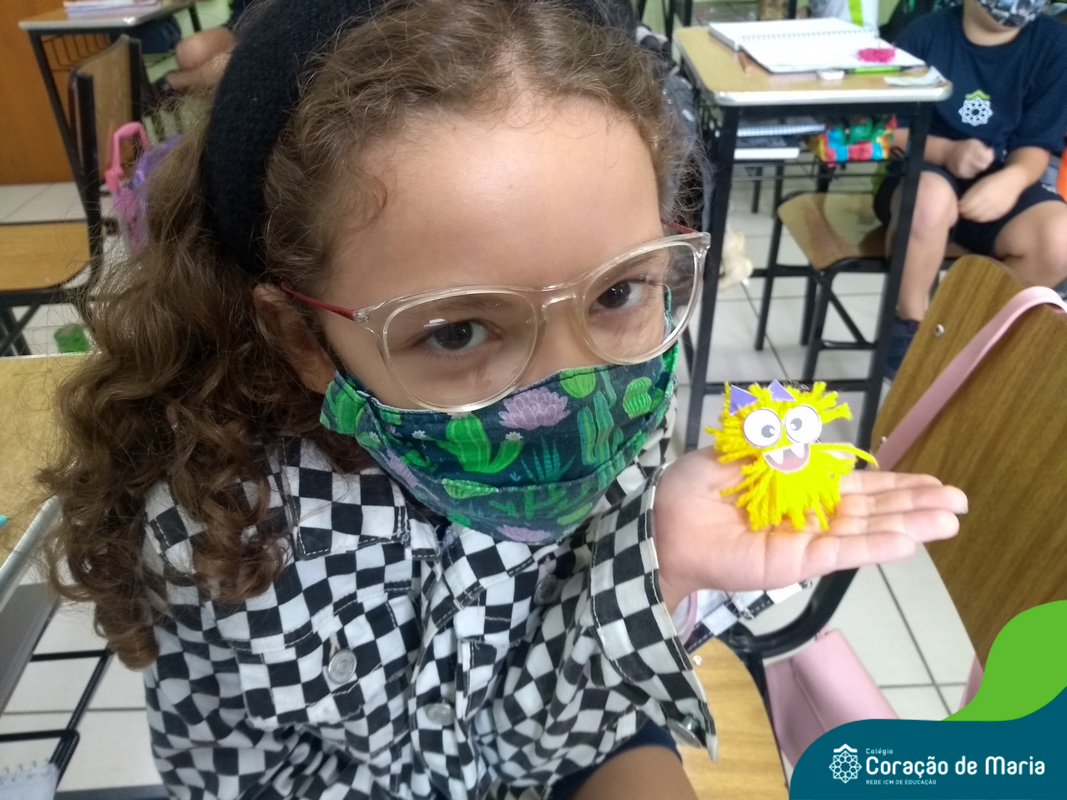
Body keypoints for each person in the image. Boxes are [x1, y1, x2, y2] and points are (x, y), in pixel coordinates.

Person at [40, 1, 967, 798]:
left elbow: (556, 722)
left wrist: (660, 564)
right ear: (303, 339)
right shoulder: (231, 526)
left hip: (558, 715)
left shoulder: (608, 396)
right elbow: (339, 772)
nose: (566, 393)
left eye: (617, 290)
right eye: (456, 332)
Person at [875, 0, 1067, 376]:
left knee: (1059, 237)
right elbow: (885, 132)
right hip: (920, 170)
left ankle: (975, 339)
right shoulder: (924, 34)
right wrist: (946, 152)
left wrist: (1012, 180)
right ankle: (911, 329)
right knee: (929, 202)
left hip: (1001, 179)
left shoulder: (1054, 44)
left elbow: (1036, 145)